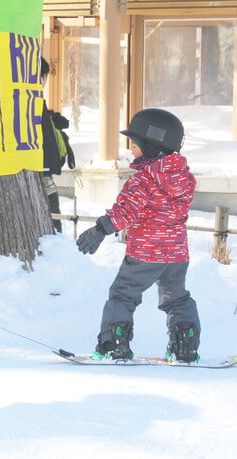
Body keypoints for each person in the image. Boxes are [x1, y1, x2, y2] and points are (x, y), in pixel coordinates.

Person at [76, 108, 199, 363]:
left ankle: (114, 343)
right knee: (176, 298)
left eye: (136, 144)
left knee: (123, 294)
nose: (132, 150)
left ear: (154, 146)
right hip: (176, 254)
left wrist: (100, 229)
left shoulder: (143, 180)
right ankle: (185, 345)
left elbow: (126, 211)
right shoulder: (184, 178)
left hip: (146, 252)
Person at [39, 57, 74, 233]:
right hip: (41, 170)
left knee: (53, 212)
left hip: (43, 169)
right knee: (52, 212)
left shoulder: (34, 102)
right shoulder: (34, 102)